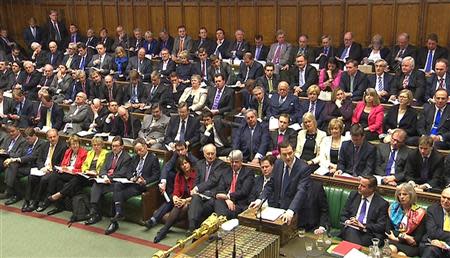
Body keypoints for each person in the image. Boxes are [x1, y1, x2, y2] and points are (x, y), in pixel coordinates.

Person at [105, 138, 160, 235]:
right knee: (117, 185)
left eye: (141, 149)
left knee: (118, 194)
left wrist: (145, 181)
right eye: (137, 150)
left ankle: (114, 221)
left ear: (145, 147)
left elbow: (156, 176)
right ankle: (118, 214)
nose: (139, 152)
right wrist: (132, 178)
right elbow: (129, 172)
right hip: (131, 182)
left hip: (141, 185)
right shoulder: (135, 158)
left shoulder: (153, 158)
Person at [249, 142, 311, 225]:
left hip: (294, 211)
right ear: (280, 154)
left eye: (290, 153)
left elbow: (301, 191)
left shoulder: (303, 168)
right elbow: (270, 184)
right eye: (284, 154)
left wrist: (291, 211)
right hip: (276, 209)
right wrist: (260, 199)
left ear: (294, 151)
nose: (288, 157)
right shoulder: (278, 163)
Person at [144, 141, 198, 229]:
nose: (180, 152)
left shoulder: (194, 161)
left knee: (175, 202)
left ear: (187, 149)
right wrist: (163, 182)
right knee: (170, 200)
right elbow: (166, 167)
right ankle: (153, 220)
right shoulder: (176, 156)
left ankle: (169, 221)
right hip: (180, 187)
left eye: (182, 150)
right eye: (178, 150)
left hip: (191, 191)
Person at [46, 137, 108, 214]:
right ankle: (63, 206)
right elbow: (84, 165)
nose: (96, 147)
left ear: (102, 145)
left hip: (97, 177)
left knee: (76, 179)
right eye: (94, 145)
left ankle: (59, 195)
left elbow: (105, 167)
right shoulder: (90, 153)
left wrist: (96, 172)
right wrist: (86, 171)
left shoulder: (106, 154)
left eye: (98, 145)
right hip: (87, 175)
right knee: (61, 179)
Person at [84, 136, 131, 225]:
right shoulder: (109, 155)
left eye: (116, 146)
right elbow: (103, 168)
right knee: (96, 184)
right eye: (113, 146)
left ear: (122, 147)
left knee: (99, 188)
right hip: (106, 180)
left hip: (117, 183)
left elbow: (122, 173)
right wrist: (104, 176)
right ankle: (94, 211)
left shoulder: (127, 158)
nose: (114, 148)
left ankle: (95, 213)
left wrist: (109, 178)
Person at [153, 156, 196, 242]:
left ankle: (164, 230)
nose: (184, 165)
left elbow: (197, 193)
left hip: (193, 201)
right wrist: (175, 198)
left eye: (186, 163)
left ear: (189, 163)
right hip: (181, 201)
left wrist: (185, 200)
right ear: (179, 167)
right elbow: (176, 191)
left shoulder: (196, 174)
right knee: (177, 205)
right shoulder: (179, 176)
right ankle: (165, 230)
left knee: (183, 207)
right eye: (182, 164)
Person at [186, 144, 228, 233]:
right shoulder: (199, 164)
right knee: (195, 198)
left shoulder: (221, 164)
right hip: (200, 196)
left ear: (216, 153)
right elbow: (196, 181)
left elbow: (213, 181)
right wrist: (195, 190)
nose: (210, 156)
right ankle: (192, 228)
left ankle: (197, 231)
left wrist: (197, 188)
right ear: (204, 154)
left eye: (212, 153)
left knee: (196, 204)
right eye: (208, 154)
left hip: (212, 196)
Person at [340, 175, 389, 246]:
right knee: (351, 230)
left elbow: (381, 226)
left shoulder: (382, 204)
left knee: (352, 234)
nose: (359, 187)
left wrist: (363, 226)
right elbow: (343, 214)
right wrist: (349, 221)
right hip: (351, 228)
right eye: (359, 184)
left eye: (363, 186)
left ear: (371, 189)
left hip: (368, 233)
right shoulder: (353, 195)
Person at [45, 135, 88, 215]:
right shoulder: (68, 151)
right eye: (72, 144)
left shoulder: (84, 153)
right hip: (67, 173)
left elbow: (83, 169)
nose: (75, 146)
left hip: (76, 174)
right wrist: (63, 168)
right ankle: (58, 205)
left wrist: (71, 170)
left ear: (79, 144)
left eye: (76, 143)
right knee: (56, 177)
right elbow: (63, 164)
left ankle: (55, 196)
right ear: (70, 145)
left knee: (64, 178)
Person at [26, 129, 67, 212]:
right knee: (31, 177)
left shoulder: (63, 146)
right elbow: (39, 159)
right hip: (43, 169)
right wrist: (42, 167)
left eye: (54, 137)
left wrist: (51, 169)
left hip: (53, 170)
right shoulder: (44, 145)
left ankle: (36, 202)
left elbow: (62, 162)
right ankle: (27, 201)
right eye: (50, 137)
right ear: (47, 138)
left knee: (44, 179)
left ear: (58, 136)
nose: (52, 139)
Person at [2, 127, 41, 206]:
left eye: (29, 139)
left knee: (13, 168)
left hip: (34, 167)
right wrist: (11, 159)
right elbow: (20, 154)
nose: (27, 141)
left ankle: (10, 191)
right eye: (26, 139)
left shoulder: (41, 143)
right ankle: (17, 194)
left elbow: (33, 157)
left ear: (34, 135)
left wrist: (15, 159)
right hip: (24, 165)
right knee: (12, 167)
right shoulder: (26, 143)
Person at [385, 183, 426, 257]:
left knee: (401, 255)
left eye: (404, 194)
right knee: (390, 250)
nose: (401, 197)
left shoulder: (419, 213)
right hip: (394, 240)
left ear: (411, 195)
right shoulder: (393, 208)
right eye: (399, 194)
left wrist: (402, 238)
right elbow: (388, 230)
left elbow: (417, 238)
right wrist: (404, 237)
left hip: (411, 246)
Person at [214, 150, 254, 219]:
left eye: (236, 162)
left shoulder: (248, 172)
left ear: (241, 161)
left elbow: (244, 191)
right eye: (232, 162)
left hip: (238, 202)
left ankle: (221, 223)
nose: (234, 164)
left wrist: (228, 196)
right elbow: (220, 188)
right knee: (216, 203)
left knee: (227, 212)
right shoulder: (226, 171)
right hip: (225, 201)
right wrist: (226, 199)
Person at [420, 187, 450, 258]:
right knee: (431, 250)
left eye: (449, 199)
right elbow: (432, 232)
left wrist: (446, 244)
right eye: (443, 197)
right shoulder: (432, 210)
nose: (445, 201)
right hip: (432, 243)